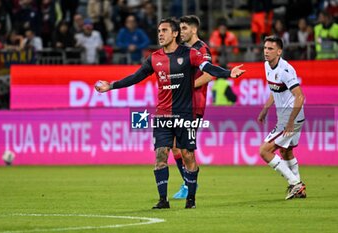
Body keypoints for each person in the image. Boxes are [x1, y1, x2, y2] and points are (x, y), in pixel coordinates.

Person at [95, 18, 245, 209]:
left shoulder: (191, 54)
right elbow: (135, 77)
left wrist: (228, 72)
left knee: (188, 155)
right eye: (159, 31)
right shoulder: (154, 58)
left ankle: (191, 199)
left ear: (175, 34)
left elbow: (207, 68)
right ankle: (163, 200)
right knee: (161, 154)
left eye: (164, 30)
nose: (160, 34)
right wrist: (111, 85)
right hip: (163, 114)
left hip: (186, 115)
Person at [170, 15, 215, 199]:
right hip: (183, 105)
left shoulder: (202, 49)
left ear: (194, 30)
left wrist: (186, 86)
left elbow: (209, 75)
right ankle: (187, 183)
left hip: (194, 105)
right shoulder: (186, 51)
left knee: (186, 150)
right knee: (174, 147)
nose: (181, 32)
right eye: (180, 29)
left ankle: (190, 185)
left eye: (184, 28)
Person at [258, 35, 306, 200]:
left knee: (264, 151)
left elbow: (300, 96)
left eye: (270, 49)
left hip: (291, 116)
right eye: (265, 48)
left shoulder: (285, 70)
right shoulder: (267, 65)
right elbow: (274, 89)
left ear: (279, 51)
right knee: (286, 152)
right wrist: (265, 109)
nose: (266, 52)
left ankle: (295, 184)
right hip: (287, 116)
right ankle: (299, 185)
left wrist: (290, 122)